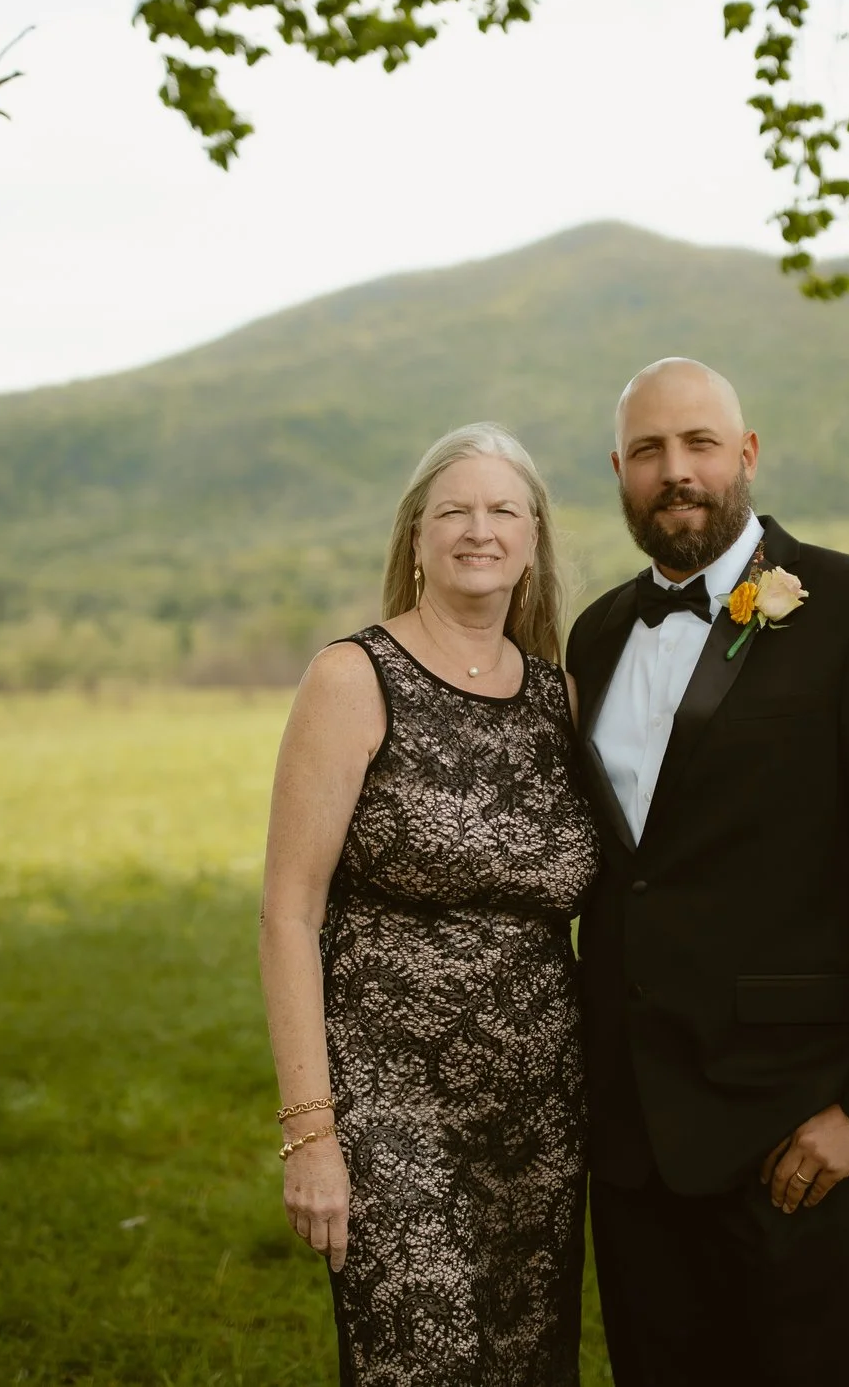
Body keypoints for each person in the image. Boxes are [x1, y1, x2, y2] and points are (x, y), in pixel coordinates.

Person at [569, 358, 849, 1387]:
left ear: (746, 455)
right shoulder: (594, 633)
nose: (678, 472)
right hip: (629, 1134)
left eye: (700, 443)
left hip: (792, 1126)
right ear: (618, 469)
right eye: (650, 451)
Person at [258, 422, 603, 1387]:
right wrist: (311, 1131)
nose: (478, 529)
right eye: (453, 509)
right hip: (389, 1111)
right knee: (422, 1361)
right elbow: (289, 914)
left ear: (534, 541)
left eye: (504, 510)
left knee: (529, 1365)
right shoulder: (353, 678)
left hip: (541, 1114)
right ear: (415, 536)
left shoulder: (560, 698)